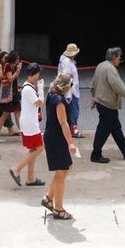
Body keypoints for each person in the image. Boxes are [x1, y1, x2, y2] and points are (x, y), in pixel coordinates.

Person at [89, 47, 125, 163]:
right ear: (114, 57)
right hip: (108, 104)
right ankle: (96, 154)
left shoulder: (101, 66)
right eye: (119, 57)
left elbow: (93, 83)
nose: (119, 60)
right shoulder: (110, 69)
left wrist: (93, 96)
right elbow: (118, 86)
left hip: (102, 102)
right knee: (103, 130)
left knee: (116, 128)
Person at [42, 71, 78, 221]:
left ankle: (49, 198)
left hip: (52, 136)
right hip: (57, 139)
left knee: (63, 170)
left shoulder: (51, 94)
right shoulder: (59, 101)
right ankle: (58, 208)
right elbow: (63, 123)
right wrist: (71, 142)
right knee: (62, 171)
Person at [9, 63, 45, 187]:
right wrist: (41, 88)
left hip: (29, 122)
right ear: (35, 74)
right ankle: (17, 169)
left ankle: (30, 178)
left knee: (33, 149)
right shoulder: (29, 89)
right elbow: (40, 103)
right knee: (40, 148)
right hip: (30, 124)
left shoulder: (27, 86)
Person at [57, 43, 81, 138]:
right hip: (70, 91)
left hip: (69, 89)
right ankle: (73, 129)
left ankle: (69, 128)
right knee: (73, 111)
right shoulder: (67, 62)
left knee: (70, 111)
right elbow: (67, 78)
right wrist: (68, 94)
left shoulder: (65, 60)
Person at [0, 51, 23, 137]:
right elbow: (10, 78)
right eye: (17, 59)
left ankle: (24, 134)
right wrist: (17, 71)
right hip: (9, 94)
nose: (18, 60)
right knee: (4, 116)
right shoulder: (8, 66)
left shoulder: (13, 66)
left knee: (18, 114)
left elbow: (15, 77)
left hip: (14, 93)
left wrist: (18, 70)